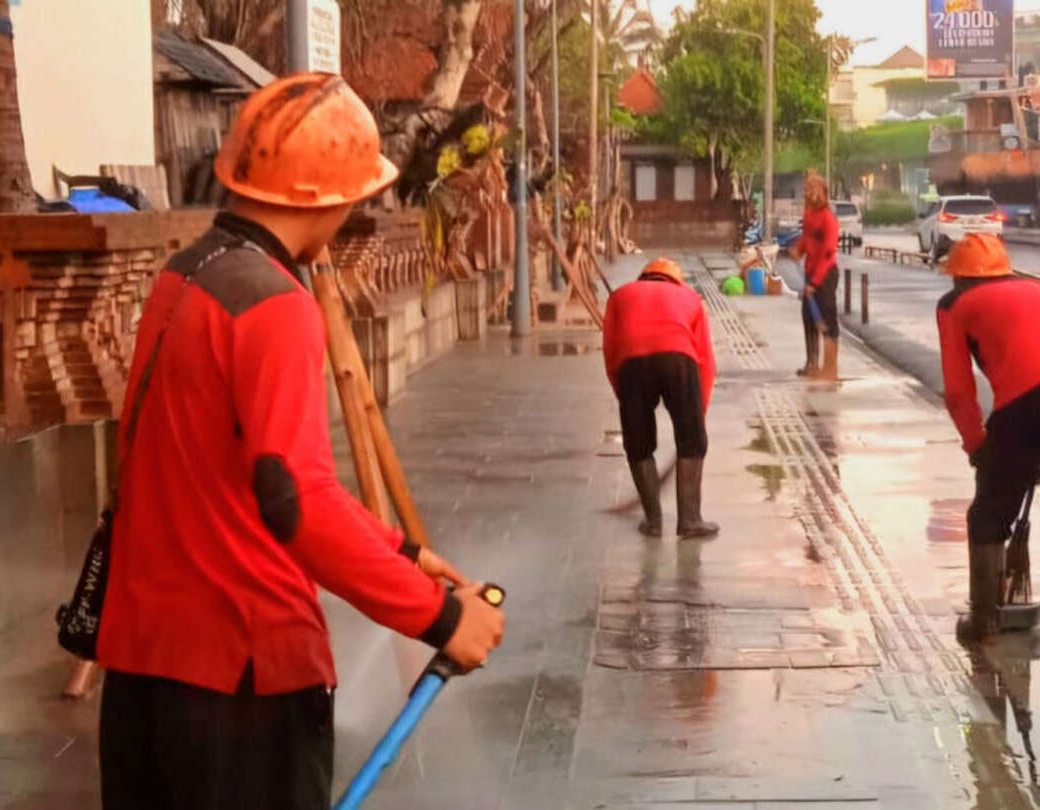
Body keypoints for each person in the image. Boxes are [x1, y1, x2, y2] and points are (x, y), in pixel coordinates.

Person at [97, 73, 505, 810]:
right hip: (242, 687)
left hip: (142, 672)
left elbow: (252, 475)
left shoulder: (182, 279)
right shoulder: (277, 307)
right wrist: (441, 617)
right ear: (326, 198)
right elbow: (295, 502)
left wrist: (400, 554)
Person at [935, 233, 1040, 647]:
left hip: (1027, 394)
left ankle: (984, 624)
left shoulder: (954, 305)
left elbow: (959, 392)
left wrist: (978, 447)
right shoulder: (1037, 288)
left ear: (958, 278)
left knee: (990, 515)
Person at [603, 258, 719, 538]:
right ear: (675, 280)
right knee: (691, 441)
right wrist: (698, 411)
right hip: (678, 360)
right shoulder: (690, 297)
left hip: (632, 363)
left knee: (639, 444)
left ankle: (653, 522)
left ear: (644, 277)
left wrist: (626, 396)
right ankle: (690, 520)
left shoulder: (620, 295)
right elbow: (705, 360)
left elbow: (610, 350)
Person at [789, 171, 840, 380]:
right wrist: (798, 251)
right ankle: (811, 363)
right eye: (805, 189)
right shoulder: (809, 216)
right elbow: (806, 240)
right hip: (811, 273)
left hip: (826, 276)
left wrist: (815, 283)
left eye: (810, 189)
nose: (806, 193)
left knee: (826, 321)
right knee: (808, 318)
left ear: (821, 192)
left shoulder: (829, 220)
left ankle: (830, 367)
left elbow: (828, 254)